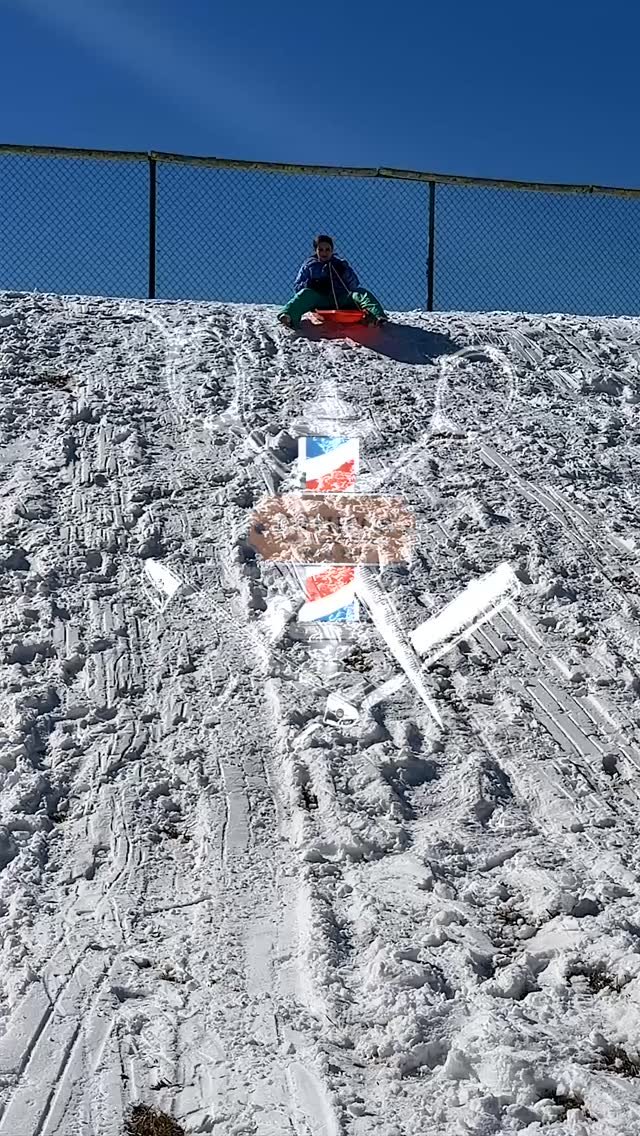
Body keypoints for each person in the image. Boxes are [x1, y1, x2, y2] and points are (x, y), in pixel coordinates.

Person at [278, 235, 387, 329]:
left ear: (332, 250)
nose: (324, 252)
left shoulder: (340, 264)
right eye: (321, 249)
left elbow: (354, 284)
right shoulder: (310, 266)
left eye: (327, 249)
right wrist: (312, 284)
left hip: (341, 299)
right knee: (305, 294)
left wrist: (344, 272)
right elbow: (297, 287)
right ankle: (288, 316)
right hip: (320, 300)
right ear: (315, 250)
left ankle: (376, 316)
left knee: (360, 292)